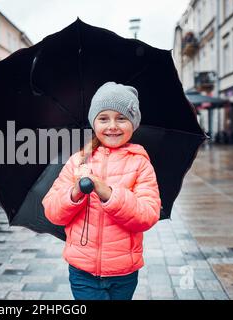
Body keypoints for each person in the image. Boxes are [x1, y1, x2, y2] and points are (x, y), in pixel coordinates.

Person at [42, 81, 161, 300]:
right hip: (82, 271)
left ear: (133, 124)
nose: (112, 126)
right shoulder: (78, 161)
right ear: (94, 123)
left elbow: (147, 214)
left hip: (123, 272)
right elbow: (52, 211)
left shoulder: (140, 163)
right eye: (104, 118)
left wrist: (108, 193)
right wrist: (75, 192)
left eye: (121, 118)